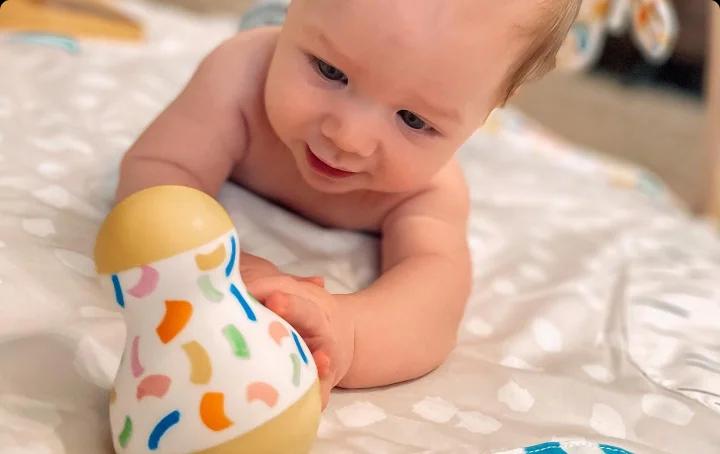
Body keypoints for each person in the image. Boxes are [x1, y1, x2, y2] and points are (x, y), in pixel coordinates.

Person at [116, 0, 580, 407]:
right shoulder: (239, 78)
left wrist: (345, 332)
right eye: (329, 71)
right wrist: (221, 266)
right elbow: (157, 176)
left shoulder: (428, 192)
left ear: (491, 108)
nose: (349, 138)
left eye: (414, 120)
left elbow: (433, 306)